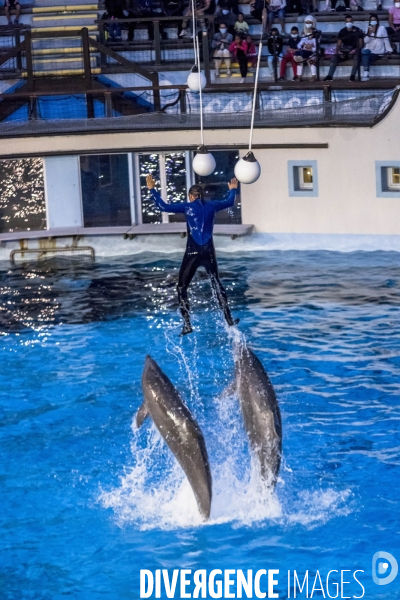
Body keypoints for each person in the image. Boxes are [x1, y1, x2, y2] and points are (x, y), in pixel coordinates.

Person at [146, 174, 239, 335]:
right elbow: (230, 202)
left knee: (182, 287)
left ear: (190, 196)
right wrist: (233, 190)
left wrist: (152, 189)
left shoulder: (187, 206)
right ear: (202, 195)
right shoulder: (213, 205)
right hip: (209, 251)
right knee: (216, 283)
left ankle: (187, 324)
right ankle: (228, 319)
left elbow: (163, 207)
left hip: (193, 252)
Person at [323, 15, 363, 82]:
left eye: (350, 21)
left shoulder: (358, 30)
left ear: (352, 22)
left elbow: (361, 44)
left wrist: (354, 50)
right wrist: (339, 51)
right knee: (334, 57)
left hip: (354, 50)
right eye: (347, 21)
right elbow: (338, 44)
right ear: (345, 22)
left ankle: (352, 76)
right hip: (344, 50)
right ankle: (329, 76)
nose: (348, 23)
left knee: (357, 57)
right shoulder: (342, 31)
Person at [361, 13, 392, 80]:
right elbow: (366, 41)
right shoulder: (368, 29)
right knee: (364, 52)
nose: (373, 21)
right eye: (371, 20)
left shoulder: (382, 28)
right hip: (369, 50)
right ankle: (366, 73)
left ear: (377, 20)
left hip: (378, 51)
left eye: (374, 19)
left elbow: (385, 39)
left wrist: (389, 50)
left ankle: (365, 73)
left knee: (365, 55)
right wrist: (369, 33)